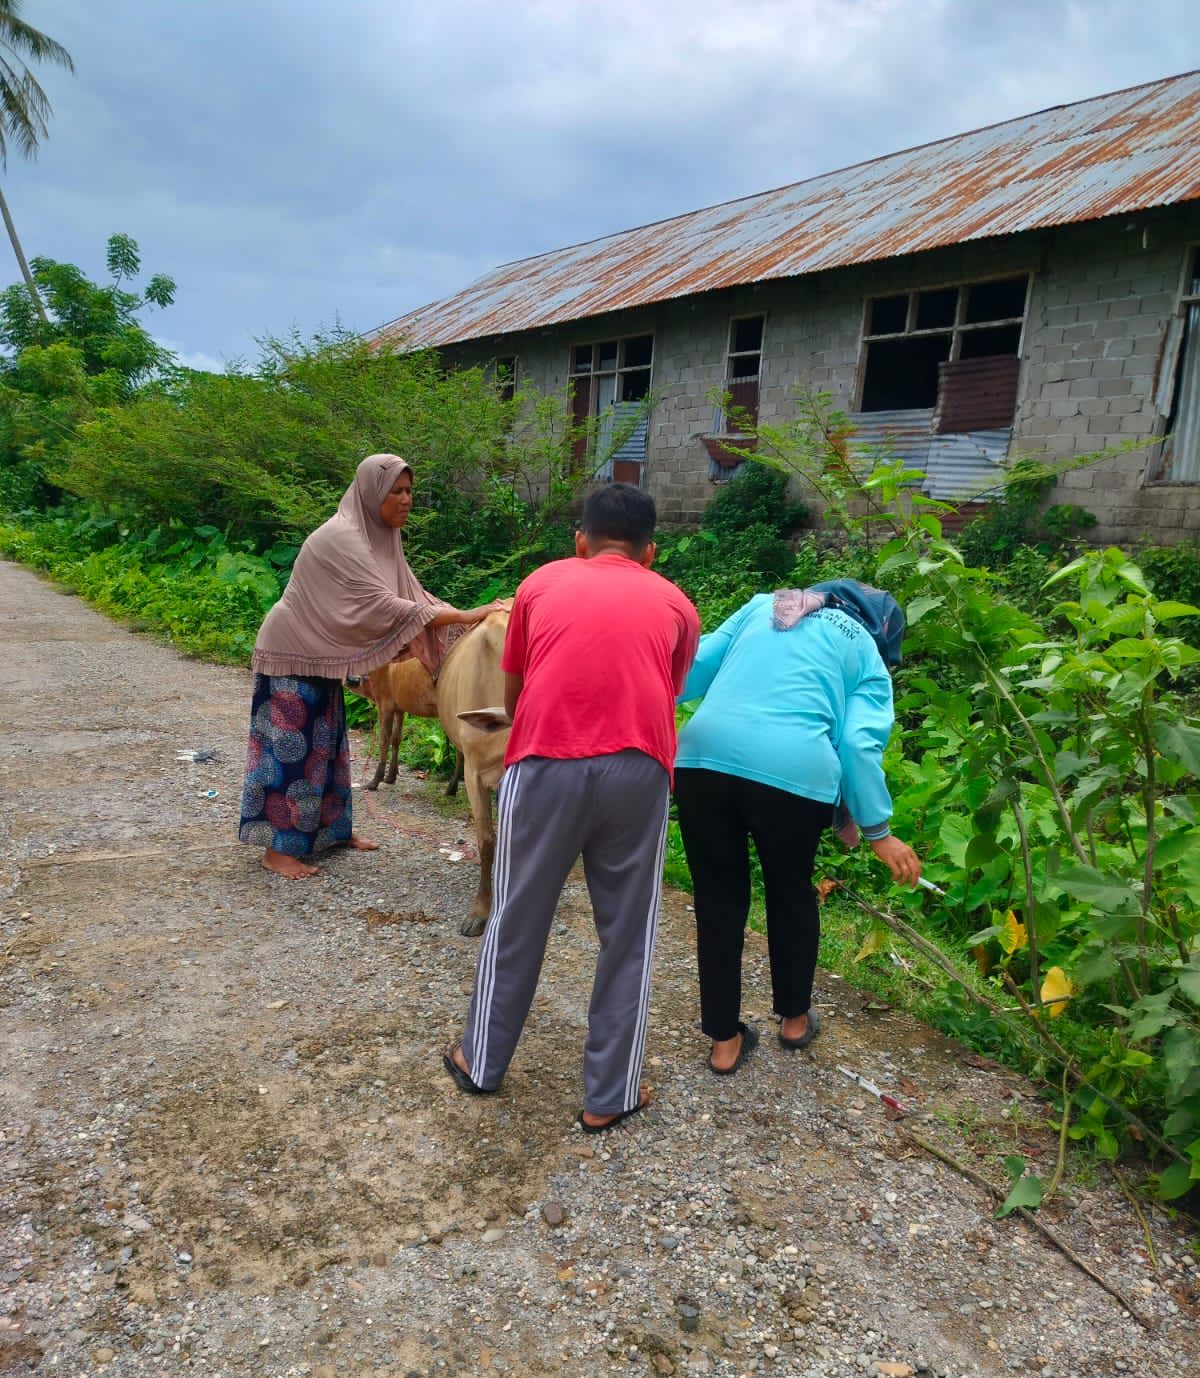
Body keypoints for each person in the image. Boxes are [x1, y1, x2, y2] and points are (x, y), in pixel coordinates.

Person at [442, 483, 701, 1130]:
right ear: (651, 553)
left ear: (580, 541)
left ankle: (480, 1061)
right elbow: (664, 694)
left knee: (518, 914)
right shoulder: (678, 605)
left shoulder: (539, 584)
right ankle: (609, 1095)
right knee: (628, 933)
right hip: (638, 768)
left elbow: (515, 686)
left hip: (544, 761)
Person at [673, 578, 921, 1074]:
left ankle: (724, 1044)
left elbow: (688, 670)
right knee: (790, 893)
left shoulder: (763, 605)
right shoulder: (867, 657)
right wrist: (878, 831)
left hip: (702, 759)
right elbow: (857, 746)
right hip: (795, 776)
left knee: (719, 902)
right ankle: (793, 1020)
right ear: (882, 634)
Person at [239, 452, 503, 880]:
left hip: (322, 655)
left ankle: (330, 834)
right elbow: (383, 605)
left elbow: (413, 595)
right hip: (291, 649)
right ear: (371, 492)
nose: (405, 499)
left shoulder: (381, 538)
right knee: (291, 749)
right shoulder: (342, 538)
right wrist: (464, 615)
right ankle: (278, 851)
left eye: (409, 491)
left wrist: (462, 615)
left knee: (326, 746)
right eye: (396, 491)